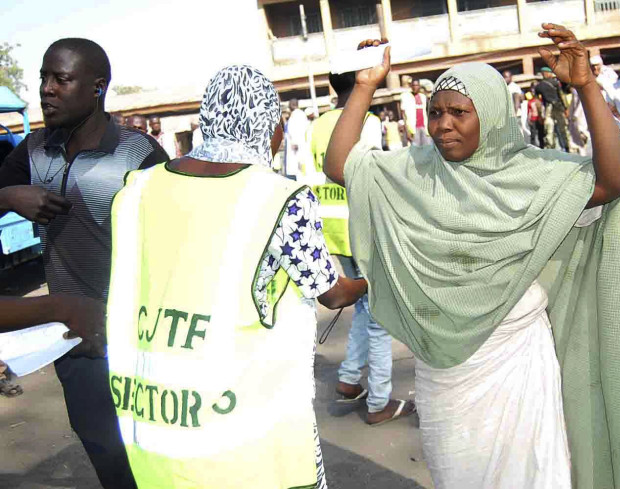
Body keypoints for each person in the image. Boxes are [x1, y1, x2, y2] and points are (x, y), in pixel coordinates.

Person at [323, 24, 620, 489]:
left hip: (516, 364)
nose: (443, 125)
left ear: (490, 116)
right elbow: (339, 165)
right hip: (445, 376)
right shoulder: (414, 170)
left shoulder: (534, 172)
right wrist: (366, 85)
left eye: (458, 113)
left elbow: (614, 183)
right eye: (436, 113)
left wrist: (587, 86)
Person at [105, 64, 367, 489]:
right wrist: (370, 281)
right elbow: (332, 293)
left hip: (155, 432)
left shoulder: (136, 189)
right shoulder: (279, 197)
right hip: (250, 442)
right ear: (268, 127)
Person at [0, 38, 169, 489]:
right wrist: (7, 195)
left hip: (142, 339)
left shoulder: (140, 154)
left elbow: (175, 244)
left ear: (97, 87)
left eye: (61, 78)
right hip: (76, 343)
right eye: (43, 78)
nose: (46, 89)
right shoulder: (33, 151)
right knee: (108, 459)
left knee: (157, 460)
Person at [309, 70, 414, 425]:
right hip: (360, 223)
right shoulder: (366, 122)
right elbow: (370, 176)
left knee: (364, 307)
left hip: (331, 223)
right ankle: (379, 403)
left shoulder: (319, 124)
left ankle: (350, 379)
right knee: (379, 316)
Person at [535, 66, 569, 151]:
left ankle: (551, 149)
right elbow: (562, 96)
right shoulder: (555, 83)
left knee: (549, 130)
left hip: (548, 109)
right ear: (548, 73)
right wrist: (566, 108)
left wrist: (540, 115)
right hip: (558, 107)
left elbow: (538, 103)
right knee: (563, 128)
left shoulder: (538, 86)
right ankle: (566, 146)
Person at [284, 98, 309, 181]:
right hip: (301, 144)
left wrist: (294, 142)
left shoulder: (296, 115)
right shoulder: (301, 114)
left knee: (299, 168)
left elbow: (293, 130)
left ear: (291, 105)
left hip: (297, 146)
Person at [400, 79, 430, 146]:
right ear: (411, 86)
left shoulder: (423, 97)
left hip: (424, 128)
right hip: (413, 129)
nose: (415, 87)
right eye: (413, 85)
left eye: (417, 85)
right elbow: (403, 114)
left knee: (427, 149)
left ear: (419, 86)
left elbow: (427, 112)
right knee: (416, 150)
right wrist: (407, 131)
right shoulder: (405, 97)